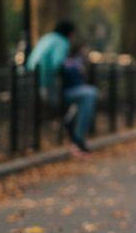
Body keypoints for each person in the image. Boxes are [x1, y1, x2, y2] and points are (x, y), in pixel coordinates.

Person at [27, 20, 99, 154]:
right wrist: (75, 68)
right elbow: (57, 64)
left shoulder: (46, 38)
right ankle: (77, 138)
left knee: (82, 96)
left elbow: (31, 63)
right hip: (52, 90)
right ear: (70, 34)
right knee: (90, 93)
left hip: (37, 87)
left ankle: (70, 123)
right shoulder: (62, 42)